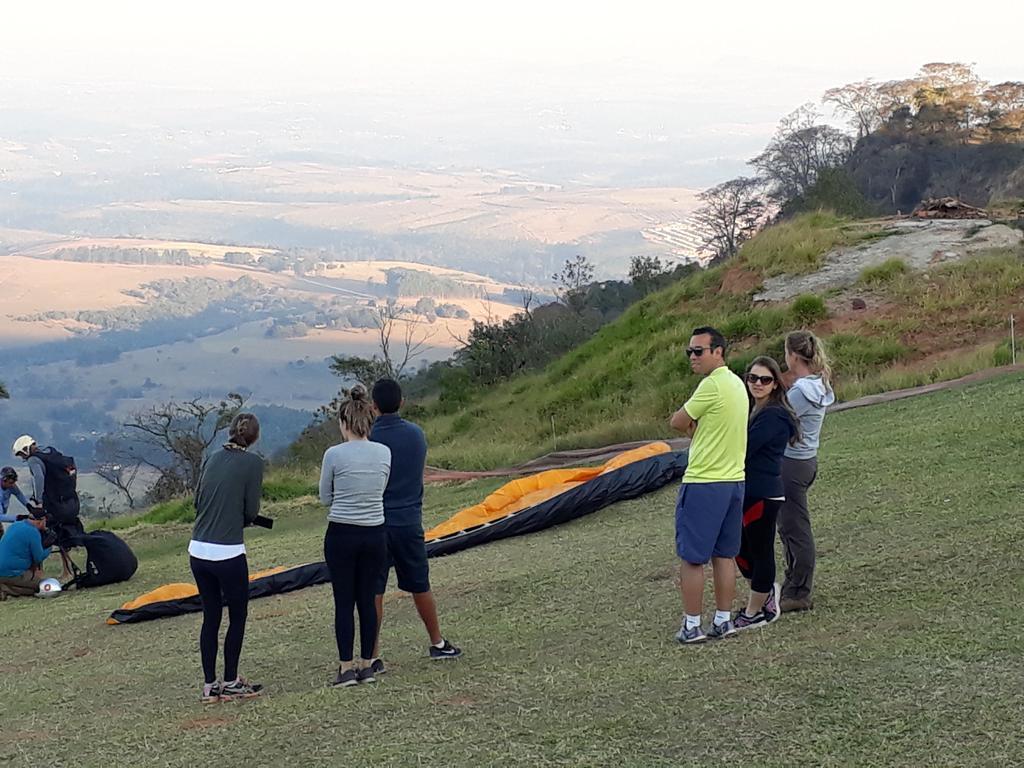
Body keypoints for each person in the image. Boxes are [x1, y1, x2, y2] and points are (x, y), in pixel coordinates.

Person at [368, 378, 461, 674]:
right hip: (409, 520)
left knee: (374, 590)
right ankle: (437, 642)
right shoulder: (416, 435)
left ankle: (372, 656)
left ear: (373, 407)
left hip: (376, 522)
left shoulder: (368, 439)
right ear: (402, 402)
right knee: (420, 583)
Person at [669, 326, 748, 644]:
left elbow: (677, 420)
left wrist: (694, 431)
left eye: (698, 351)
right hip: (734, 481)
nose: (692, 357)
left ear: (718, 351)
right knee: (725, 555)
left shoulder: (711, 385)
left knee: (692, 557)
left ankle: (691, 626)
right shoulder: (737, 384)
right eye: (690, 351)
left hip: (704, 482)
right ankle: (723, 620)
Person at [189, 413, 264, 703]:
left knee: (211, 616)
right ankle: (231, 680)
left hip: (198, 550)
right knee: (237, 615)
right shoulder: (253, 464)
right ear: (255, 437)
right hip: (228, 552)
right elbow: (250, 512)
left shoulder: (212, 458)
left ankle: (210, 685)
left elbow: (198, 502)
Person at [320, 384, 390, 687]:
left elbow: (325, 496)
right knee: (367, 599)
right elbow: (381, 489)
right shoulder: (384, 452)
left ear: (344, 423)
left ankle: (345, 667)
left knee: (343, 601)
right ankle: (367, 664)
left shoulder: (334, 455)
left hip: (342, 533)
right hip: (375, 532)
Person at [733, 356, 799, 630]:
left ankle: (755, 612)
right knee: (739, 549)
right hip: (745, 491)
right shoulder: (753, 410)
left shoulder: (774, 416)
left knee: (760, 551)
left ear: (775, 384)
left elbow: (744, 450)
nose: (757, 384)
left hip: (762, 493)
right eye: (752, 378)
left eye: (765, 379)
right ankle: (763, 595)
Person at [778, 330, 835, 613]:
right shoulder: (817, 385)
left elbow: (780, 421)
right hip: (806, 460)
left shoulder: (800, 391)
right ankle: (793, 585)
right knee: (791, 526)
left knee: (794, 528)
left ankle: (799, 590)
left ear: (793, 355)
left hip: (791, 464)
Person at [12, 435, 84, 581]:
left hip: (55, 506)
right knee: (65, 534)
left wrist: (38, 502)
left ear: (25, 450)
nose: (22, 458)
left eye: (21, 454)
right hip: (71, 502)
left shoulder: (34, 460)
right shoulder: (51, 452)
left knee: (43, 534)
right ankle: (68, 569)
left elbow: (38, 478)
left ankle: (41, 574)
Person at [0, 506, 51, 599]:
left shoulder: (16, 525)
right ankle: (5, 590)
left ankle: (4, 586)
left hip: (4, 569)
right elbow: (38, 558)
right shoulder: (33, 532)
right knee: (40, 586)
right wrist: (49, 548)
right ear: (42, 521)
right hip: (12, 573)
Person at [1, 466, 31, 538]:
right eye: (11, 483)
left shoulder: (11, 485)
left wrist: (28, 506)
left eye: (14, 482)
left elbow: (18, 494)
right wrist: (20, 517)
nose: (12, 485)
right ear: (3, 480)